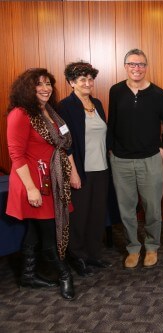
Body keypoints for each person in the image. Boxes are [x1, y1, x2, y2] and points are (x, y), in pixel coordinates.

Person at [6, 68, 75, 299]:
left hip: (50, 179)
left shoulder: (48, 112)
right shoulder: (20, 113)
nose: (46, 89)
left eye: (48, 84)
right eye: (39, 84)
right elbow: (16, 155)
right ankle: (65, 275)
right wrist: (31, 188)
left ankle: (27, 276)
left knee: (34, 231)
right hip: (33, 182)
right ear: (28, 88)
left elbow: (59, 145)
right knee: (48, 233)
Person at [107, 49, 163, 269]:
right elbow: (111, 122)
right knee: (126, 208)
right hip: (121, 161)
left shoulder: (159, 95)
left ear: (146, 67)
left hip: (150, 160)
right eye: (132, 64)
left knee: (152, 208)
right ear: (125, 66)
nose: (137, 68)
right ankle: (133, 248)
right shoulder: (116, 91)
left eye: (141, 64)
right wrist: (111, 151)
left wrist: (162, 150)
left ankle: (152, 247)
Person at [57, 61, 111, 277]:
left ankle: (92, 254)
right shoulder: (65, 106)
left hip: (102, 168)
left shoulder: (97, 103)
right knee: (79, 216)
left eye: (90, 79)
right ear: (71, 82)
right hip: (81, 169)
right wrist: (73, 172)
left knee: (97, 214)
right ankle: (77, 256)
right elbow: (65, 142)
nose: (88, 83)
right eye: (82, 80)